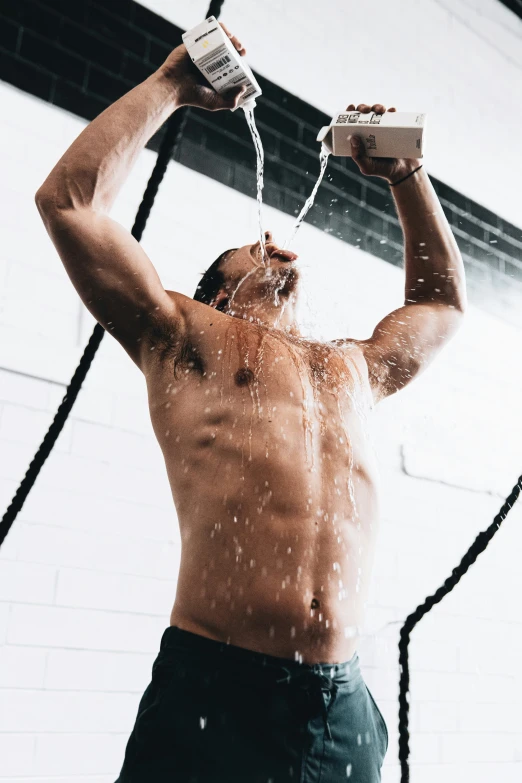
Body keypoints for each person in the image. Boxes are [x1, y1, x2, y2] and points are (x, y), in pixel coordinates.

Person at [35, 22, 466, 783]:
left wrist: (409, 176)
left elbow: (440, 303)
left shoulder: (353, 367)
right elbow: (70, 204)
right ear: (215, 286)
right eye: (248, 245)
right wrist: (171, 84)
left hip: (343, 706)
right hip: (217, 692)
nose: (273, 241)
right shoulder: (183, 338)